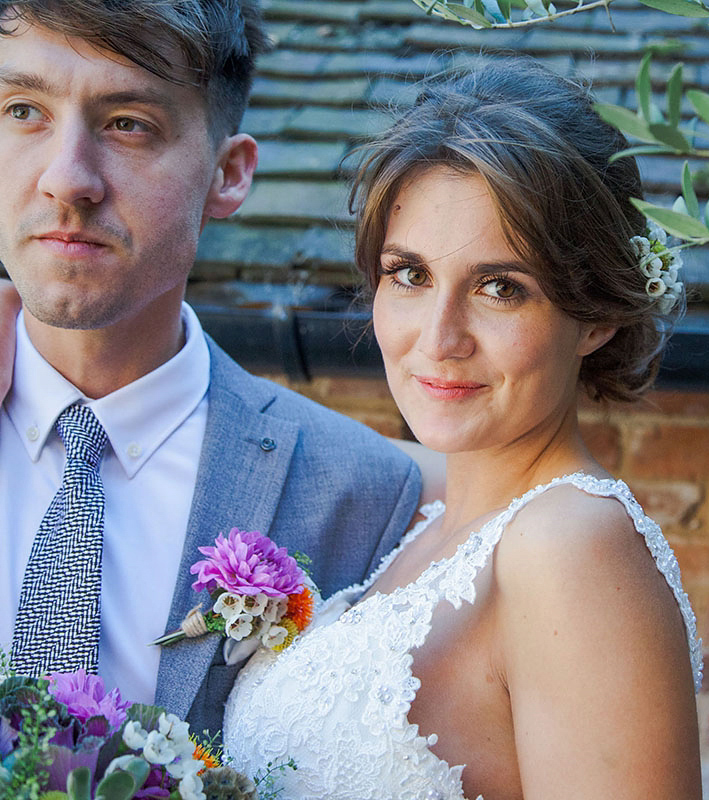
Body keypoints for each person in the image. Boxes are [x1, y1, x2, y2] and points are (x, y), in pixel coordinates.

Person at [221, 60, 703, 799]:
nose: (439, 338)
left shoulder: (570, 549)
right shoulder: (434, 515)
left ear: (597, 315)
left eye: (499, 287)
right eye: (409, 275)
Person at [0, 0, 421, 738]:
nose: (68, 180)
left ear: (228, 174)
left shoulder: (362, 493)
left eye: (129, 123)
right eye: (23, 110)